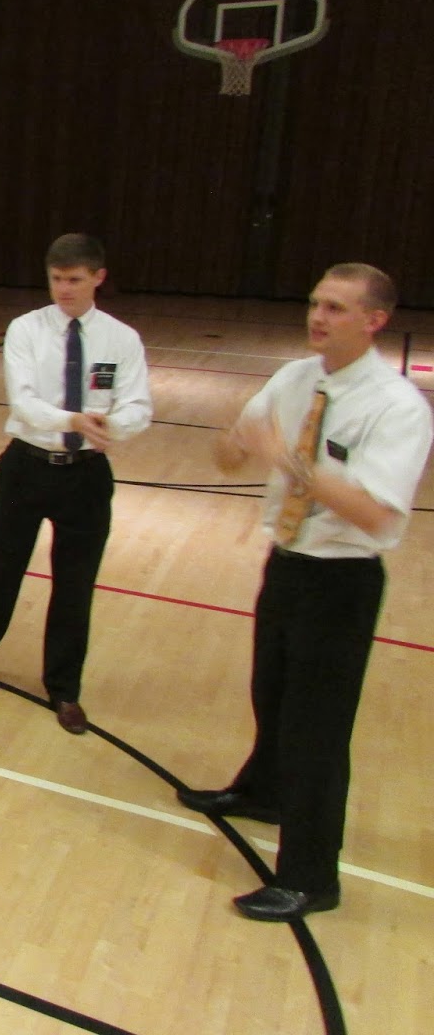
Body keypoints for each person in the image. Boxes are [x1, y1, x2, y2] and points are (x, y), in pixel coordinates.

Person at [176, 263, 430, 922]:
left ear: (375, 320)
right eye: (316, 302)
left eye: (336, 308)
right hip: (286, 564)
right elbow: (232, 454)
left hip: (342, 581)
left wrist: (287, 458)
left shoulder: (398, 407)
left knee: (317, 731)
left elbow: (378, 515)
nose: (317, 316)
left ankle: (311, 877)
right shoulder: (294, 379)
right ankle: (264, 792)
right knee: (271, 694)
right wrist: (233, 443)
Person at [0, 233, 152, 733]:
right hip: (26, 467)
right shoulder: (26, 329)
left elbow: (139, 405)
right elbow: (24, 402)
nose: (64, 289)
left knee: (75, 584)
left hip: (86, 475)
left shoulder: (122, 339)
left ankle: (64, 689)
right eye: (56, 279)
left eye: (74, 279)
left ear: (98, 277)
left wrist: (110, 425)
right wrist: (74, 419)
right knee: (1, 568)